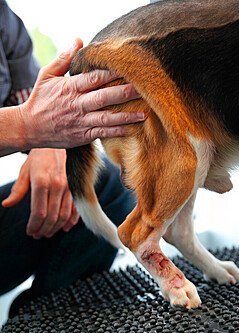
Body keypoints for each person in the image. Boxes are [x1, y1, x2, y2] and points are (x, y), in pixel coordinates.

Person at [0, 0, 142, 316]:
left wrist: (48, 142)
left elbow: (32, 102)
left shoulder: (5, 23)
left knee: (103, 182)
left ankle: (44, 330)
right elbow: (29, 119)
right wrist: (26, 126)